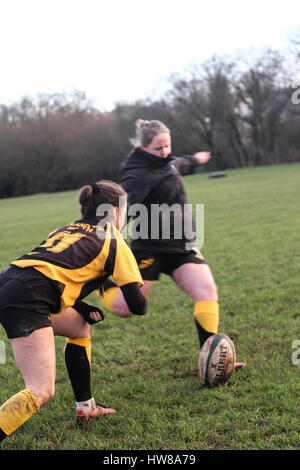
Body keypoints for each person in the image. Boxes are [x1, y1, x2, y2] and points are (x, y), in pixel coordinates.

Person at [0, 180, 146, 443]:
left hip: (11, 282)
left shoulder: (68, 229)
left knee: (79, 325)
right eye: (125, 211)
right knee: (41, 390)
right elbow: (138, 305)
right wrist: (126, 283)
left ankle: (86, 407)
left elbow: (54, 269)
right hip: (29, 298)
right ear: (114, 211)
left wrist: (79, 304)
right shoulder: (112, 238)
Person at [100, 120, 243, 369]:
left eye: (168, 145)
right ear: (144, 147)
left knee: (207, 292)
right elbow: (124, 206)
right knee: (126, 308)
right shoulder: (138, 174)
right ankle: (99, 282)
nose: (165, 151)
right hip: (150, 248)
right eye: (159, 147)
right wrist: (110, 235)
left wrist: (196, 160)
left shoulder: (166, 162)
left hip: (182, 246)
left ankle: (209, 358)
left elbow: (179, 163)